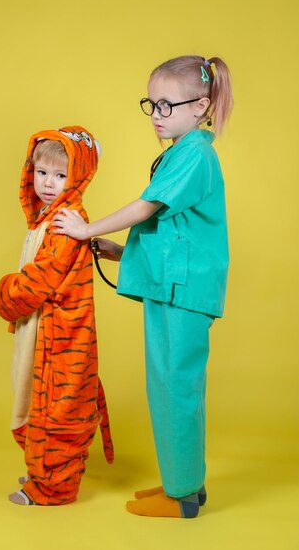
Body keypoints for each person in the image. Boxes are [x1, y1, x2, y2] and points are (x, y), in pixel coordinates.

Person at [52, 55, 233, 518]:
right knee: (169, 387)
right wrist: (115, 250)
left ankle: (185, 495)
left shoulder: (194, 153)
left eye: (168, 105)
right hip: (170, 288)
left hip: (182, 293)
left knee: (176, 388)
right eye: (151, 104)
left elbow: (148, 207)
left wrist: (85, 232)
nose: (156, 114)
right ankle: (181, 485)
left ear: (202, 106)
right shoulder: (182, 151)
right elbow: (174, 231)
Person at [0, 126, 114, 506]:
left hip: (59, 339)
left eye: (61, 176)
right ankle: (40, 471)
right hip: (38, 329)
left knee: (56, 409)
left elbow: (35, 284)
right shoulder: (47, 217)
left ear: (78, 177)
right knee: (32, 400)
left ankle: (51, 488)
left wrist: (3, 292)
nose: (48, 183)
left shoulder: (66, 224)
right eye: (41, 172)